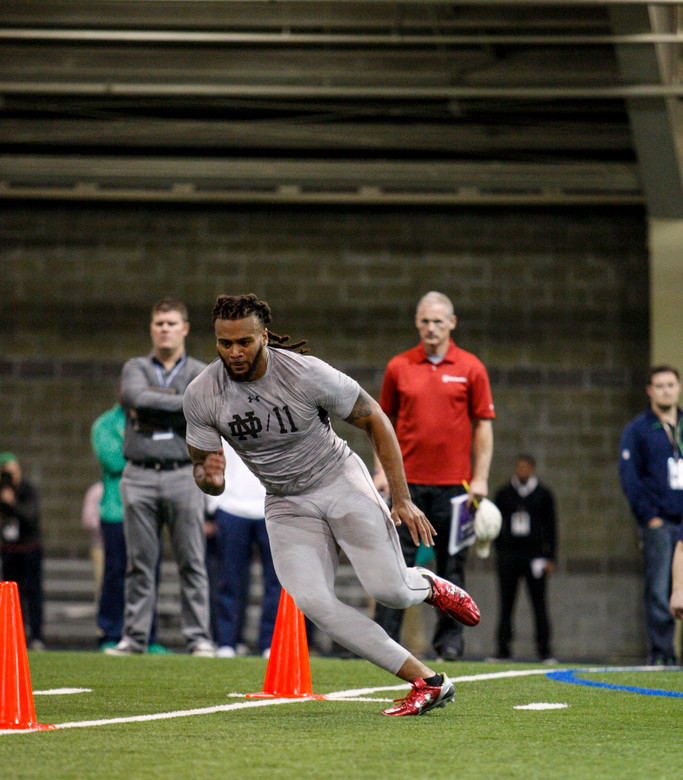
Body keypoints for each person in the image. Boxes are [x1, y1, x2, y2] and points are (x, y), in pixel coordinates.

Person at [183, 292, 481, 717]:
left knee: (390, 591)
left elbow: (375, 417)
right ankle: (429, 681)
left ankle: (429, 585)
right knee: (316, 604)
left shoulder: (305, 373)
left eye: (244, 342)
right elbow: (203, 472)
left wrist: (402, 498)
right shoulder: (202, 394)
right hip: (285, 501)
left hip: (338, 480)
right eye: (224, 343)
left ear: (264, 336)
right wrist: (210, 479)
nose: (234, 352)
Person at [372, 290, 495, 660]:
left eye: (438, 321)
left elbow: (484, 428)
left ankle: (450, 644)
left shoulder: (471, 367)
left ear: (452, 323)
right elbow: (381, 424)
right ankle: (385, 641)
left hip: (456, 489)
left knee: (452, 566)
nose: (431, 327)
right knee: (394, 561)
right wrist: (381, 472)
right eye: (425, 320)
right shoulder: (399, 367)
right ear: (416, 323)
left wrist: (481, 479)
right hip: (405, 488)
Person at [105, 298, 215, 657]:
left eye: (171, 323)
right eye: (158, 323)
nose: (164, 329)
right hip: (138, 475)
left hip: (184, 474)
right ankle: (135, 638)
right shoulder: (135, 366)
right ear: (151, 328)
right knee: (139, 562)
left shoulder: (202, 370)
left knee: (192, 560)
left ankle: (198, 638)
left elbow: (202, 407)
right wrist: (182, 404)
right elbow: (136, 398)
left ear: (185, 328)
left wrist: (155, 406)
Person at [91, 397, 168, 654]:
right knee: (115, 573)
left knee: (150, 573)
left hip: (149, 512)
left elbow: (164, 453)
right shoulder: (104, 424)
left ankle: (148, 635)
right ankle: (110, 633)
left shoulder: (151, 420)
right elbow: (113, 460)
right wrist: (147, 455)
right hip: (116, 511)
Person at [620, 365, 683, 666]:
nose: (666, 390)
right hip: (659, 522)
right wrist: (649, 517)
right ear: (649, 390)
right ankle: (662, 654)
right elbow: (630, 478)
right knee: (659, 591)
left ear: (679, 387)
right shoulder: (638, 429)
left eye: (671, 384)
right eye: (659, 386)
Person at [205, 438, 281, 658]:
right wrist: (213, 504)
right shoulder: (224, 407)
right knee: (229, 579)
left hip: (271, 505)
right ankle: (227, 641)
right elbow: (208, 456)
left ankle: (270, 642)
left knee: (276, 580)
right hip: (231, 506)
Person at [493, 454, 557, 662]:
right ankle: (503, 648)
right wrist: (500, 552)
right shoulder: (503, 494)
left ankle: (544, 649)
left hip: (535, 557)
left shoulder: (543, 495)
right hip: (510, 556)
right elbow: (494, 525)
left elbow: (552, 528)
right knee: (506, 604)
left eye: (526, 468)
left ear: (532, 469)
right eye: (519, 467)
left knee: (539, 604)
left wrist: (550, 557)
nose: (522, 471)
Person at [0, 452, 45, 650]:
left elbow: (30, 515)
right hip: (9, 550)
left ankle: (36, 635)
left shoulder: (27, 489)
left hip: (29, 549)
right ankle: (13, 635)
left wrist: (12, 504)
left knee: (33, 592)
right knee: (11, 594)